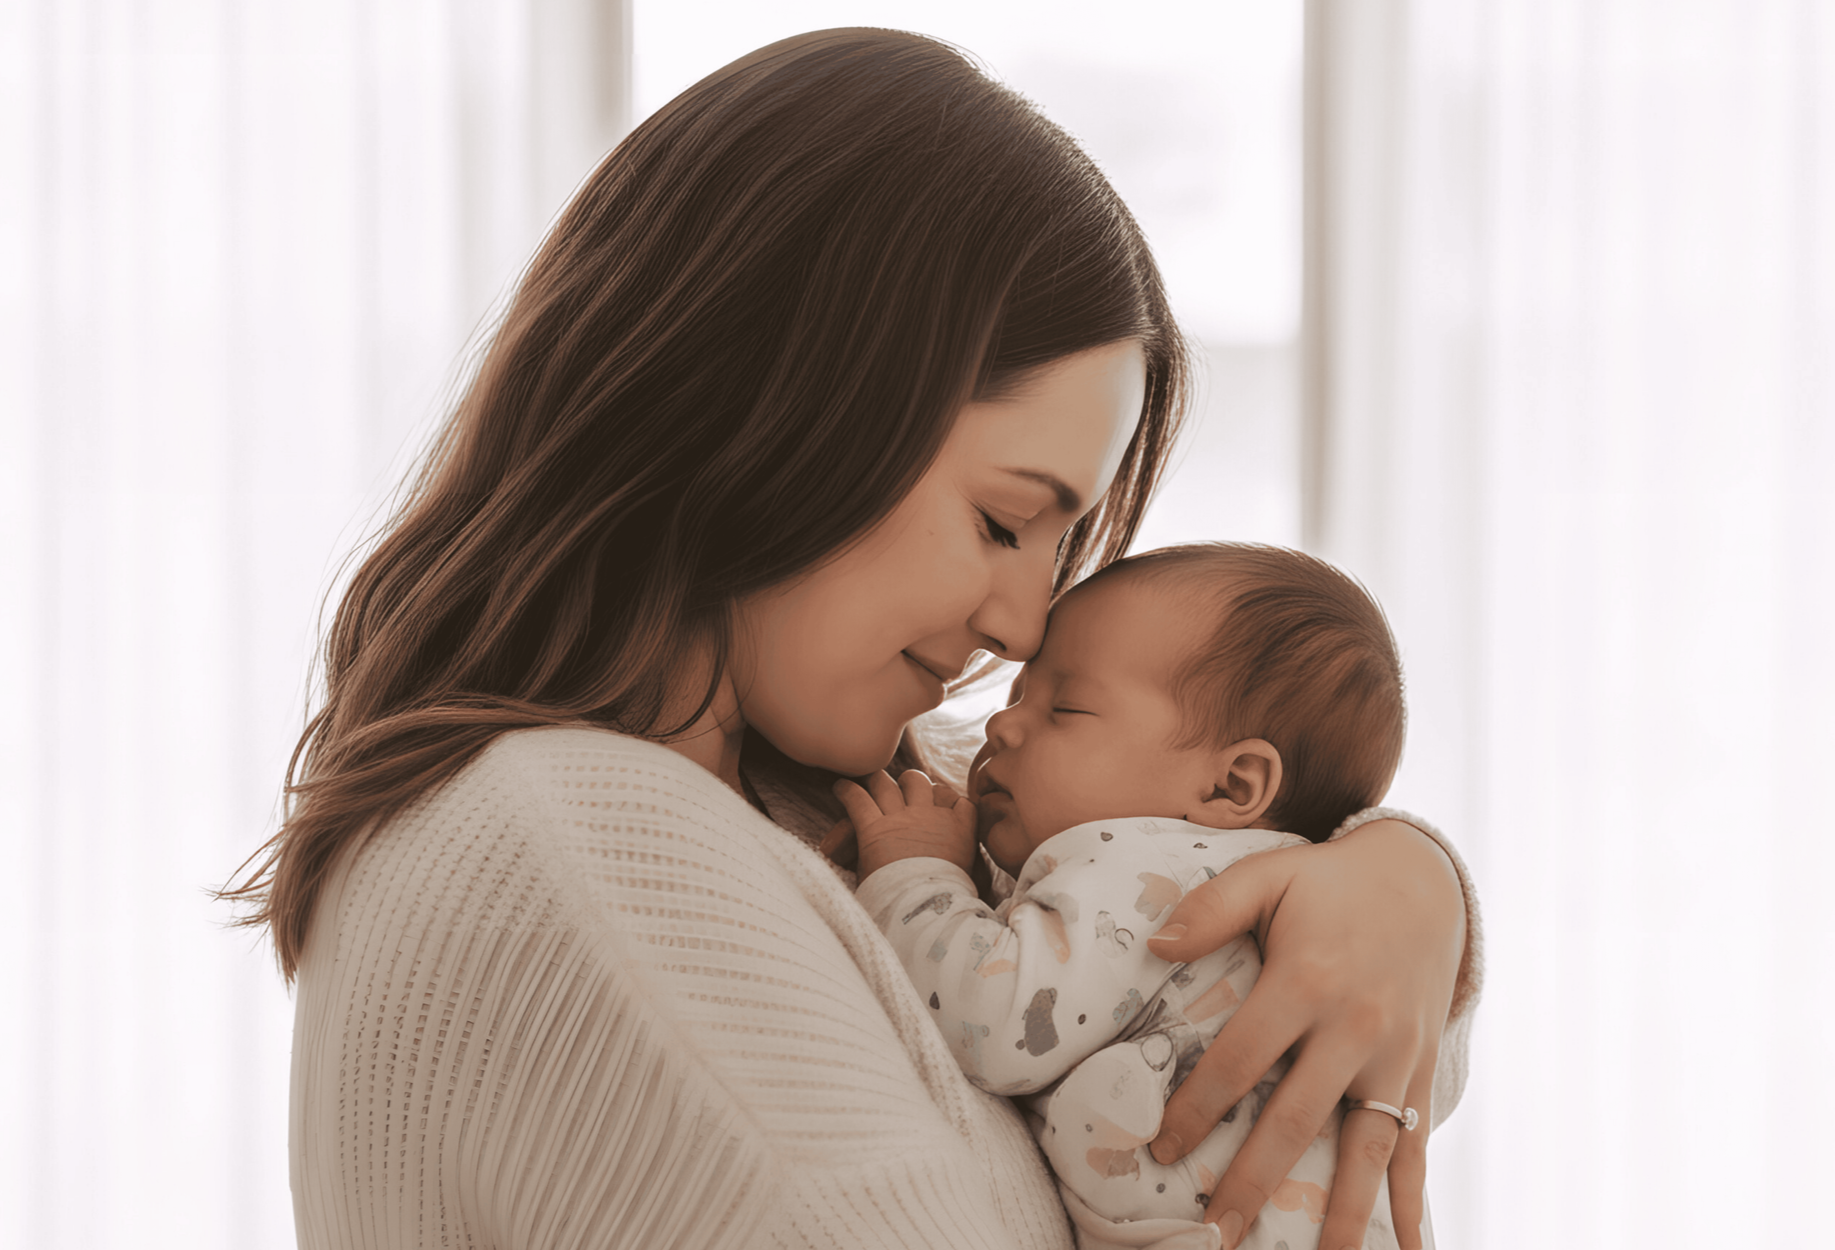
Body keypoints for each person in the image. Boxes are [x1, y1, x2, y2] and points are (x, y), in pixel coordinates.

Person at [222, 28, 1479, 1250]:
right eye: (1001, 518)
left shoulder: (861, 795)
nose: (1026, 623)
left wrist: (1394, 872)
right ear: (777, 404)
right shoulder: (586, 858)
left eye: (1059, 546)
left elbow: (1189, 929)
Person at [838, 542, 1440, 1249]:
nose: (1001, 725)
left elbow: (995, 1023)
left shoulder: (1138, 862)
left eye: (1064, 706)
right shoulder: (1288, 889)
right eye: (1015, 697)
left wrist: (915, 872)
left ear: (1231, 787)